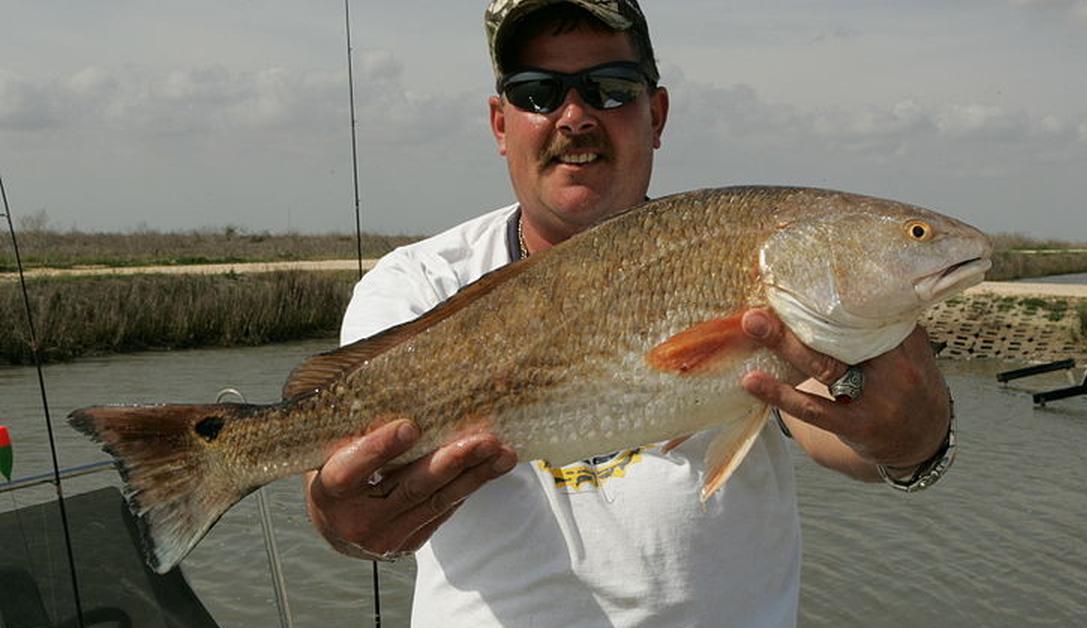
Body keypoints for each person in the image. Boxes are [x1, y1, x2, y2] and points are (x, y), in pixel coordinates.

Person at [304, 1, 954, 625]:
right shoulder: (420, 283)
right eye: (537, 92)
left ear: (657, 114)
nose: (575, 116)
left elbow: (837, 429)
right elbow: (340, 463)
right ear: (501, 125)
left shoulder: (748, 266)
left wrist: (913, 442)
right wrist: (343, 522)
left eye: (611, 87)